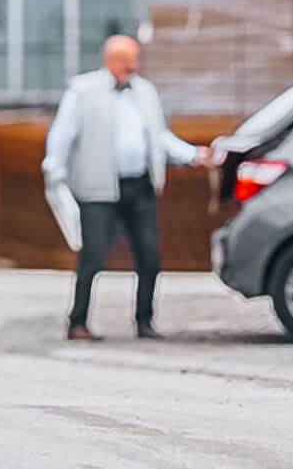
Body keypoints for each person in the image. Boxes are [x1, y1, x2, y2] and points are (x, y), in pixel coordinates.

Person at [41, 32, 200, 342]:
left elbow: (160, 136)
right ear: (110, 61)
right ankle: (77, 322)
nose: (132, 67)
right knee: (92, 256)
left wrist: (192, 155)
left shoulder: (145, 91)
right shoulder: (83, 90)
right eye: (126, 61)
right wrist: (54, 171)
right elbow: (62, 134)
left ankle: (144, 320)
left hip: (139, 185)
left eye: (134, 60)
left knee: (149, 255)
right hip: (98, 188)